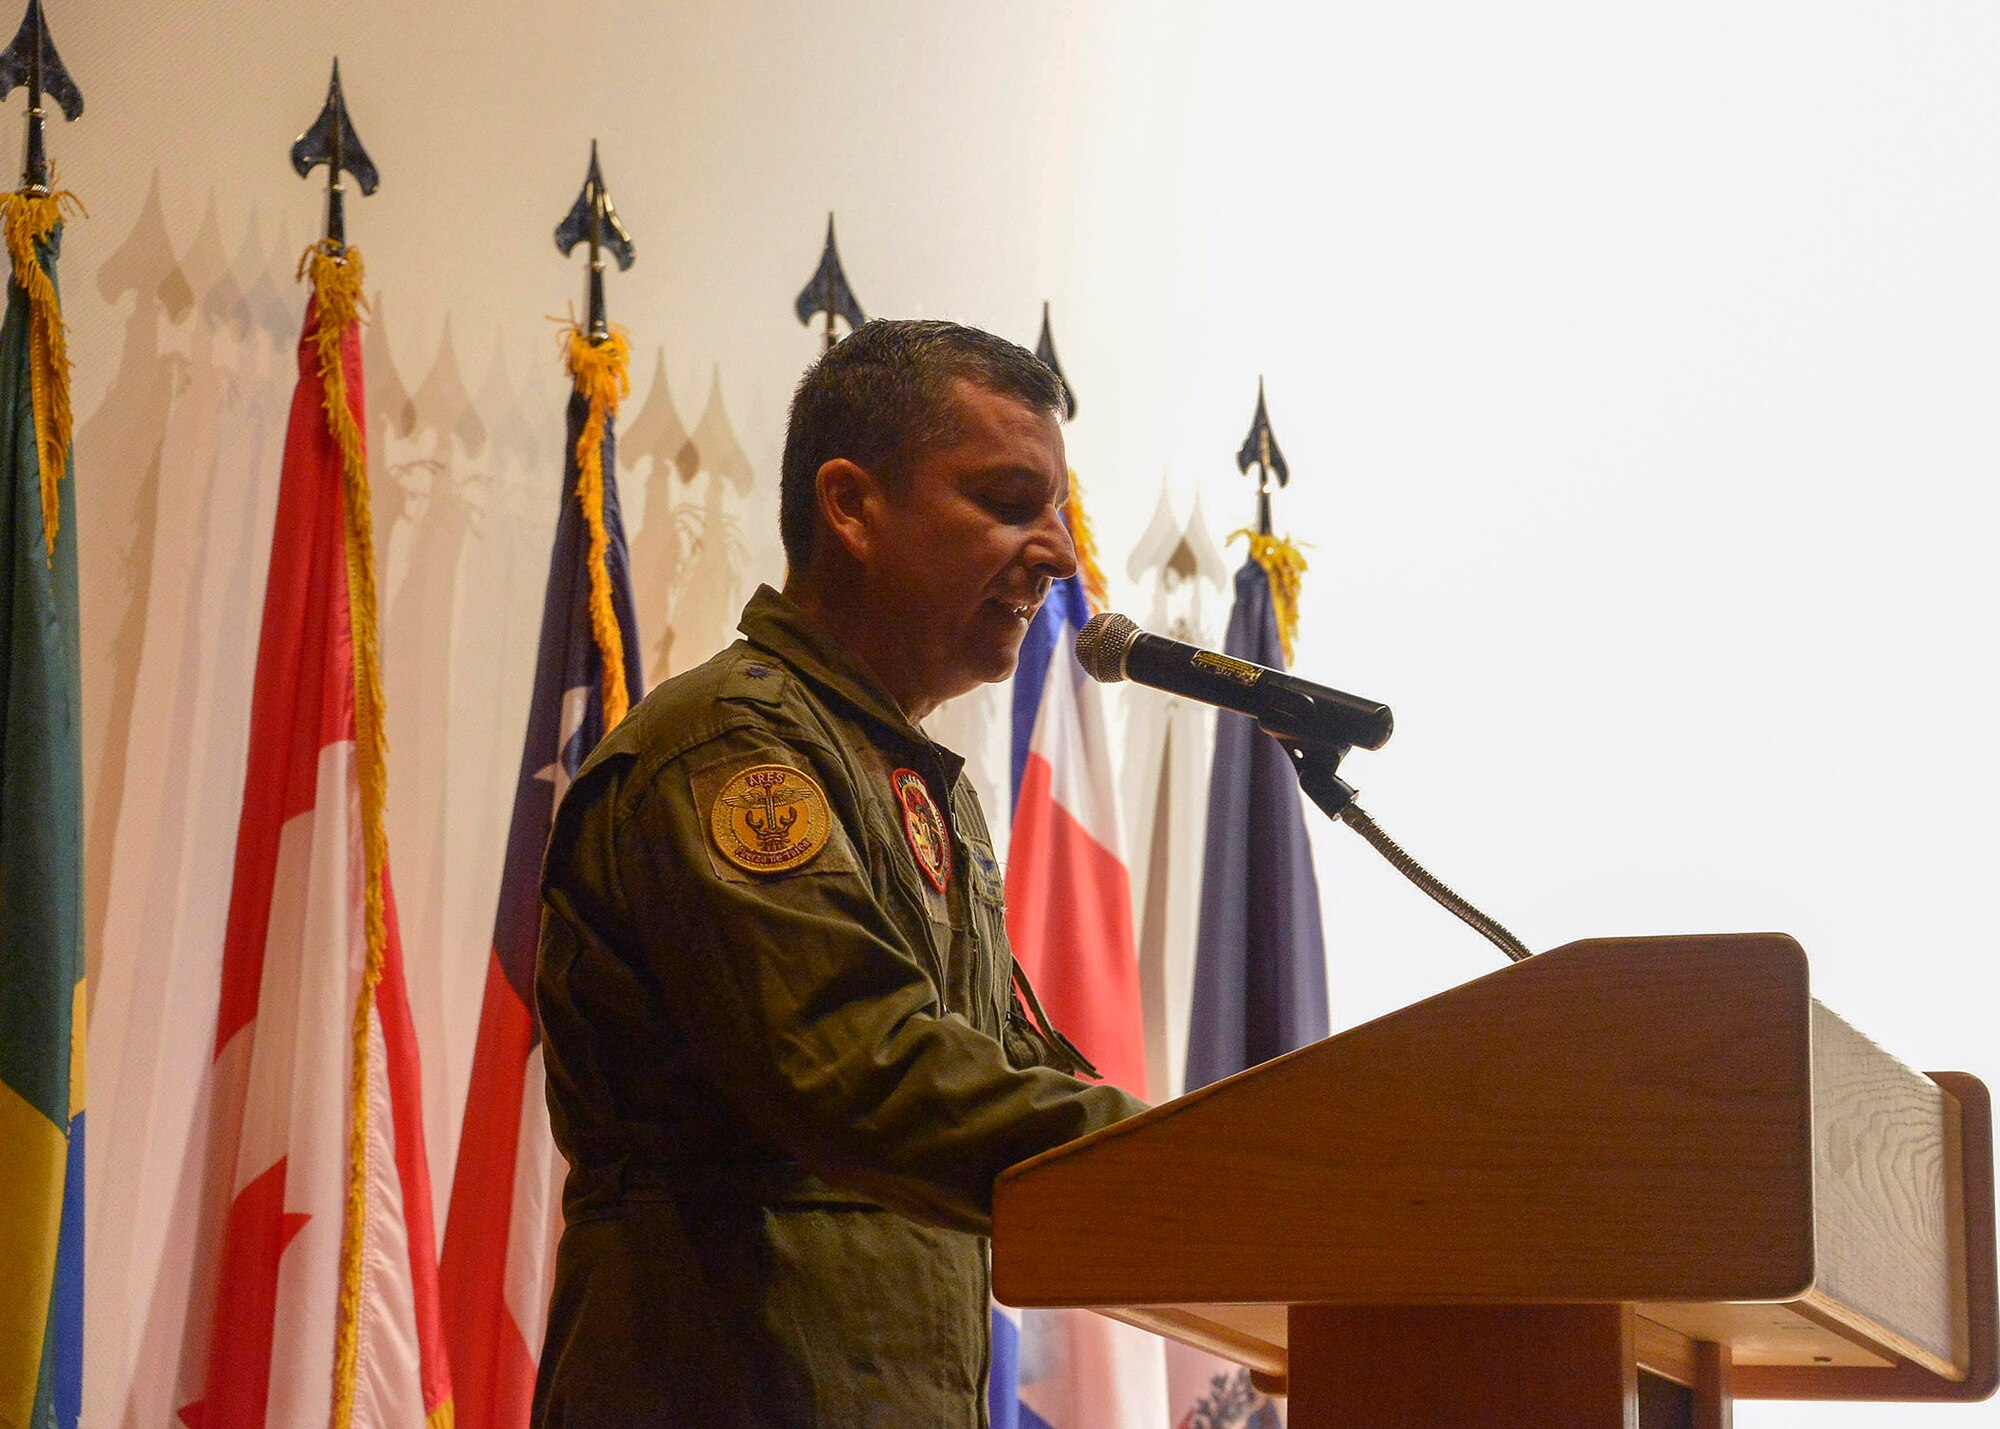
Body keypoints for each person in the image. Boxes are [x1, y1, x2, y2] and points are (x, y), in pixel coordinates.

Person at [532, 319, 1149, 1428]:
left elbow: (1002, 1065)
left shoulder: (917, 779)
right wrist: (1194, 1168)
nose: (1059, 553)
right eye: (1010, 502)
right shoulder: (733, 748)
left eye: (1055, 510)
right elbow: (856, 1065)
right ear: (851, 507)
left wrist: (1226, 1152)